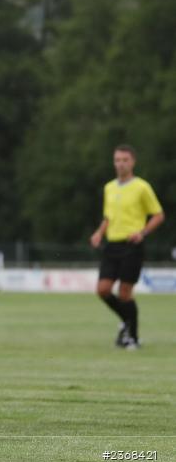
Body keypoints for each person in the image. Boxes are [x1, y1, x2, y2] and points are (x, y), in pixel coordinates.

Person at [90, 145, 164, 349]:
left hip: (132, 245)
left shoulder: (142, 187)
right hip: (112, 244)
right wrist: (99, 232)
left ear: (133, 162)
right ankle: (126, 321)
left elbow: (158, 214)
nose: (120, 164)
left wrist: (142, 233)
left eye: (124, 160)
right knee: (103, 289)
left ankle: (133, 337)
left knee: (124, 293)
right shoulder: (109, 188)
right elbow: (108, 216)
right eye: (117, 160)